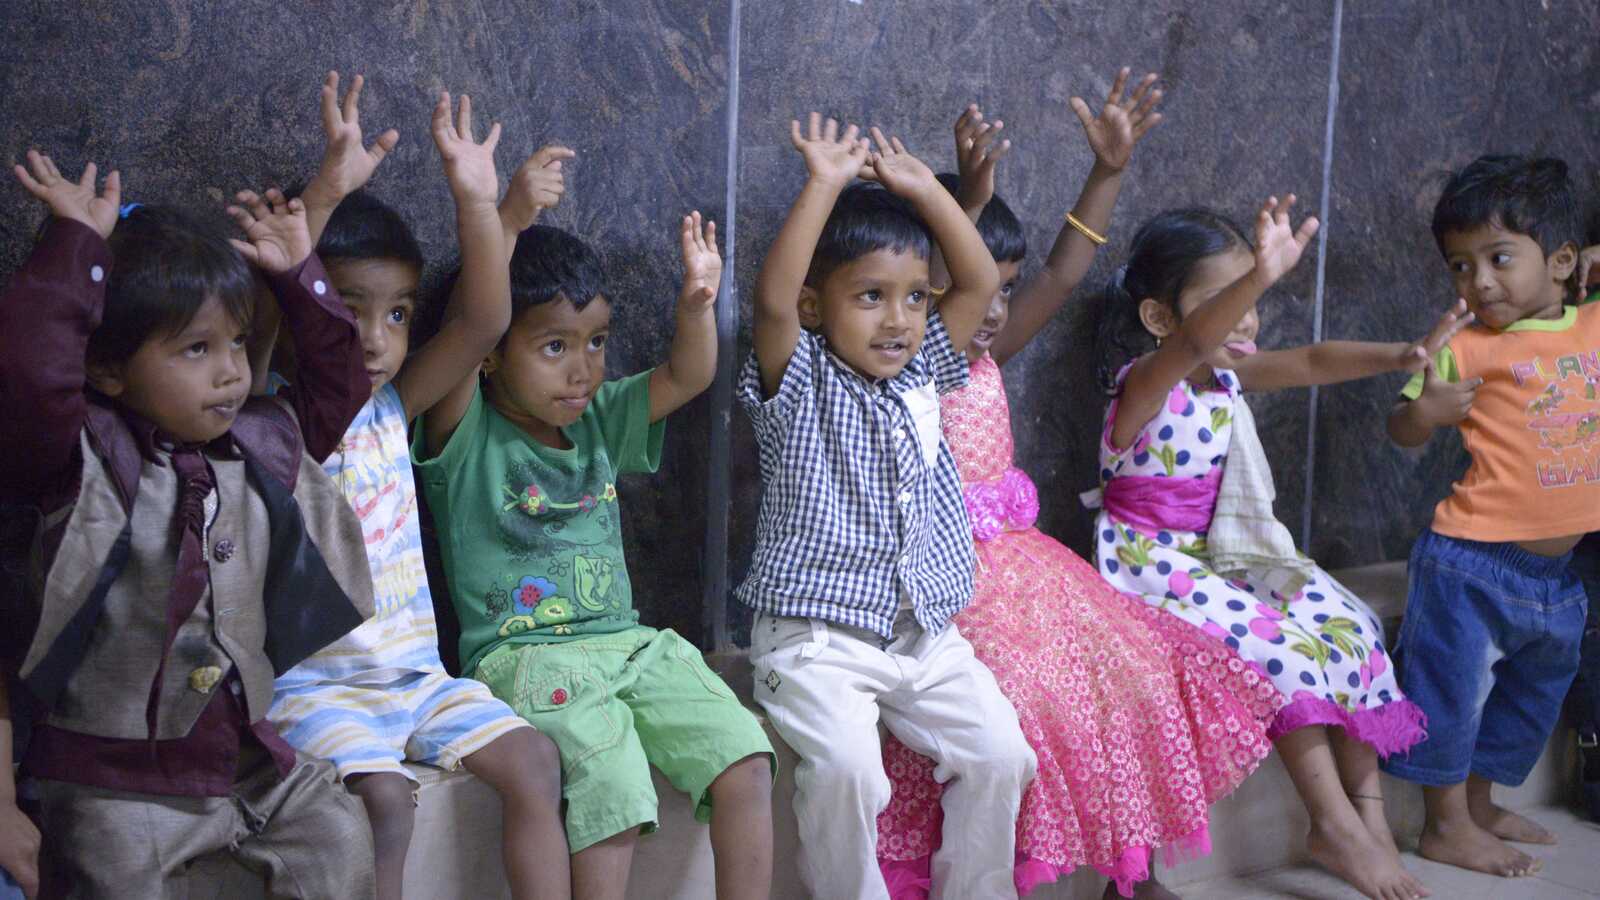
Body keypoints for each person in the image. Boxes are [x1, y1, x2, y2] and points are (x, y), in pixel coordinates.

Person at [875, 73, 1282, 900]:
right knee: (1034, 699)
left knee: (1136, 665)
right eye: (974, 284)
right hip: (948, 575)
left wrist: (1107, 174)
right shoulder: (908, 362)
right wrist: (969, 192)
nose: (994, 307)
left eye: (1005, 286)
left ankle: (1129, 875)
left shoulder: (984, 348)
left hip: (1024, 564)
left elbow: (1063, 274)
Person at [0, 151, 376, 897]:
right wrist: (76, 244)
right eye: (196, 349)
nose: (233, 371)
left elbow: (341, 382)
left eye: (237, 342)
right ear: (108, 370)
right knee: (116, 870)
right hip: (112, 778)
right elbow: (29, 374)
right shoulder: (79, 458)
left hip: (249, 768)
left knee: (339, 835)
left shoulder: (266, 442)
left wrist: (300, 272)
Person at [1094, 199, 1469, 900]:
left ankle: (1367, 819)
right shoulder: (1148, 382)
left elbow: (1313, 359)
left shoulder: (1228, 375)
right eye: (1229, 297)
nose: (1246, 316)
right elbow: (1187, 349)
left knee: (1349, 626)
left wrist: (1404, 355)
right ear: (1160, 318)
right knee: (1283, 654)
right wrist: (1260, 275)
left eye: (1255, 296)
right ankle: (1329, 823)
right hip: (1151, 564)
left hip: (1222, 551)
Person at [262, 74, 571, 899]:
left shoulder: (394, 408)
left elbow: (482, 324)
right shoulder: (267, 420)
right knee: (385, 802)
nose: (371, 339)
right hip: (316, 687)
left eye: (396, 314)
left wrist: (479, 201)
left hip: (419, 680)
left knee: (536, 761)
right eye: (343, 309)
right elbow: (274, 300)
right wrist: (324, 194)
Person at [413, 194, 774, 898]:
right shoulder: (466, 433)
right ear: (489, 356)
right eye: (555, 346)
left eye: (596, 341)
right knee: (612, 778)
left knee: (746, 756)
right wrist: (504, 220)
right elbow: (467, 325)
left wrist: (698, 305)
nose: (583, 369)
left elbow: (690, 376)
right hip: (524, 655)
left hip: (629, 646)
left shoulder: (600, 419)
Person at [740, 114, 1036, 900]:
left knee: (1005, 757)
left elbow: (975, 283)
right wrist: (824, 183)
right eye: (871, 297)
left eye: (912, 298)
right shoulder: (798, 382)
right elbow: (770, 301)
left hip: (921, 635)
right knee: (847, 770)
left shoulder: (924, 372)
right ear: (817, 307)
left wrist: (926, 195)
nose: (899, 319)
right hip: (816, 639)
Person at [1384, 154, 1593, 878]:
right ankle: (1443, 825)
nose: (1478, 283)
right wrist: (1425, 410)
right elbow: (1402, 429)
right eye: (1461, 266)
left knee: (1535, 693)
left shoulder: (1591, 326)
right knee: (1449, 691)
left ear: (1562, 261)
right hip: (1467, 561)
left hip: (1555, 574)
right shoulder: (1464, 344)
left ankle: (1479, 801)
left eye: (1499, 258)